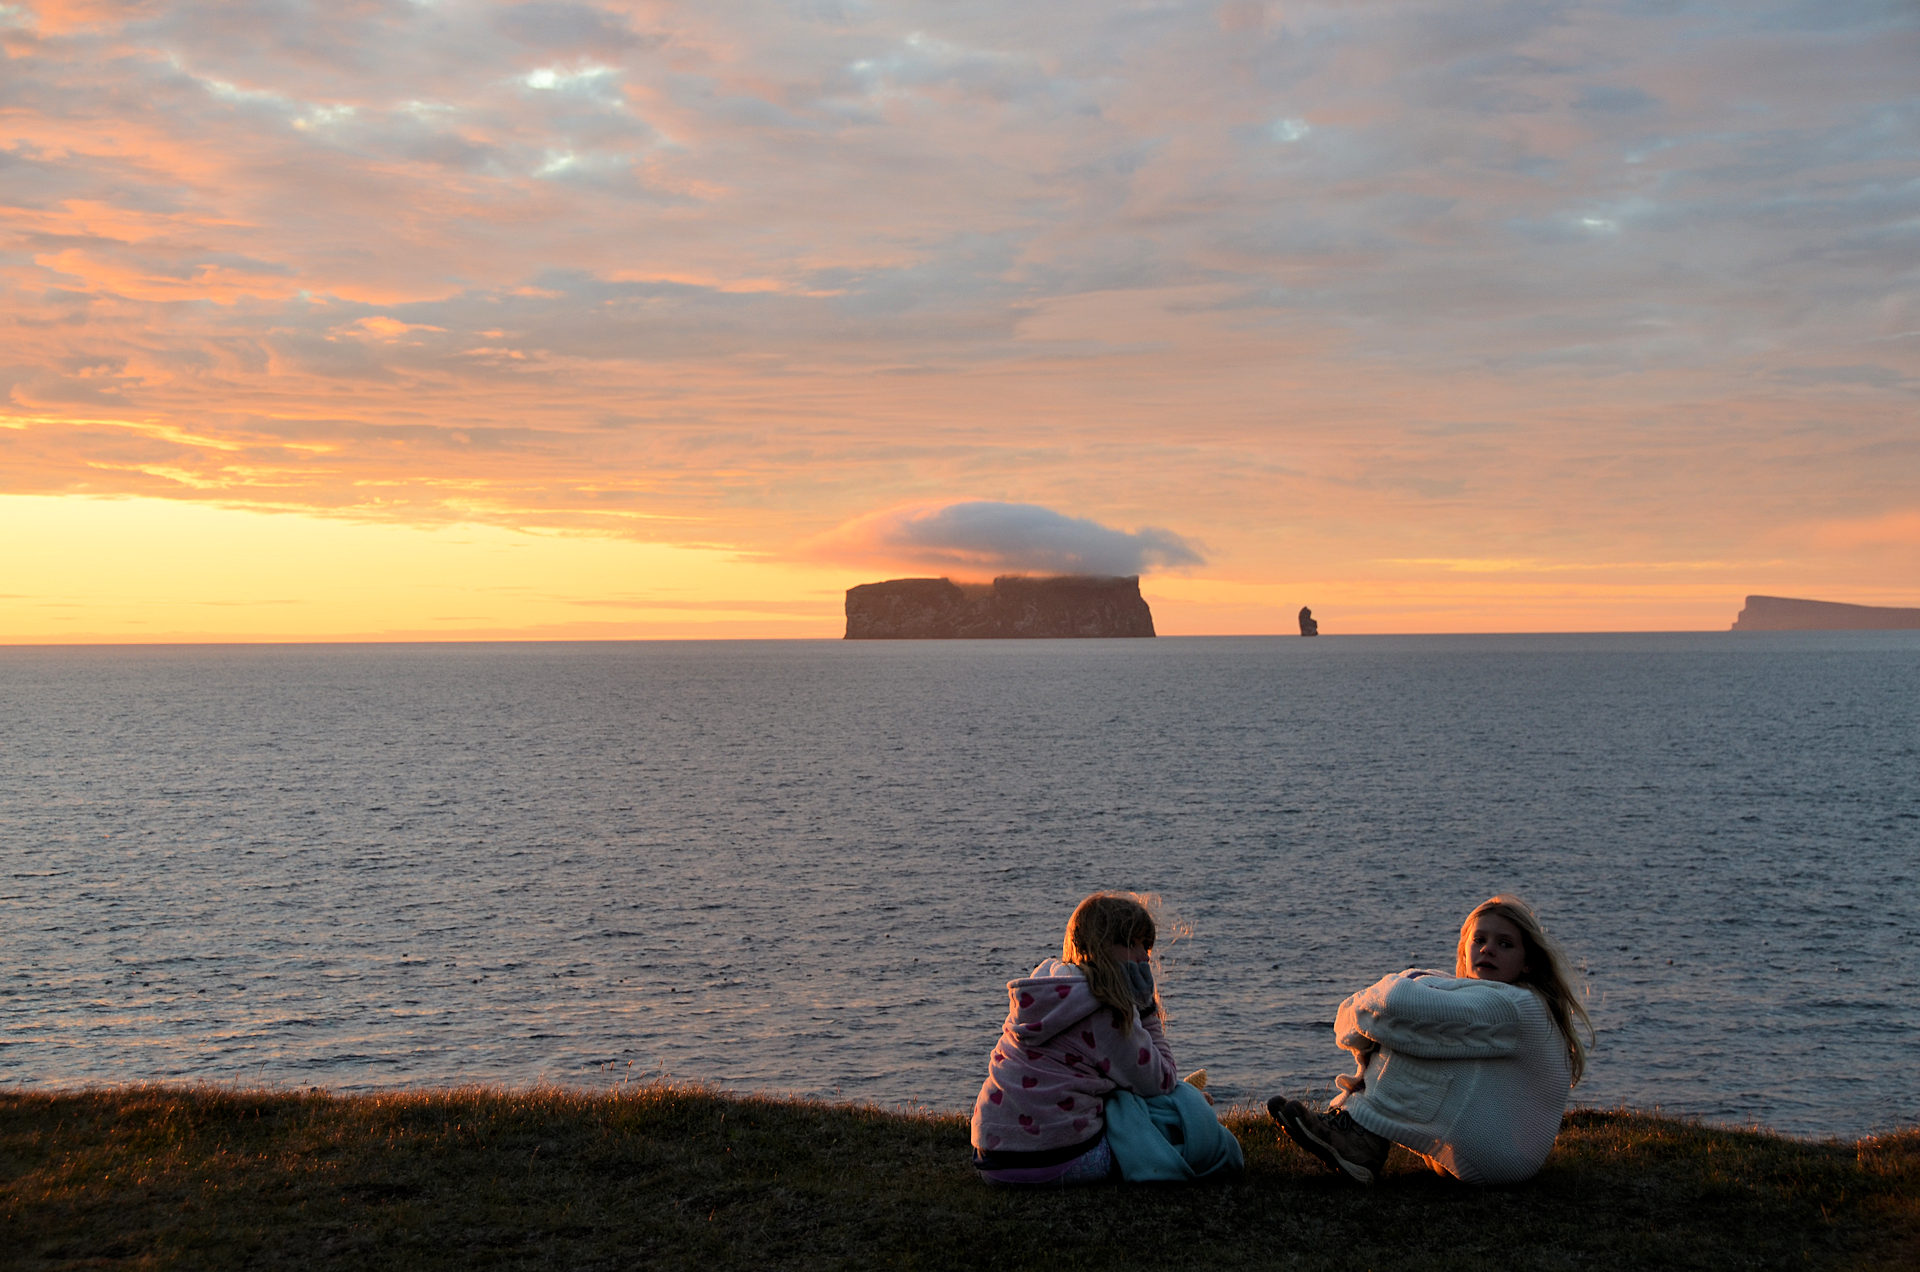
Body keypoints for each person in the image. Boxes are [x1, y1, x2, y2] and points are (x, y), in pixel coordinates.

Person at [1269, 895, 1593, 1185]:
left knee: (1414, 1035)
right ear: (1465, 949)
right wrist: (1384, 1008)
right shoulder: (1491, 998)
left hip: (1502, 1158)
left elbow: (1394, 1006)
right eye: (1479, 939)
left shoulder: (1515, 1005)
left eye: (1505, 944)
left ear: (1528, 962)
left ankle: (1359, 1139)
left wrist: (1387, 992)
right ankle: (1359, 1137)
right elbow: (1389, 1013)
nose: (1488, 949)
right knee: (1415, 1032)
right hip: (1495, 1153)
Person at [969, 892, 1183, 1185]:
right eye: (1136, 944)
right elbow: (1162, 1081)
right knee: (1144, 1111)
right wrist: (1146, 1009)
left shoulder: (1043, 993)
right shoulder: (1106, 1009)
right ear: (1107, 948)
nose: (1145, 957)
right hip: (1064, 1161)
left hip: (992, 1161)